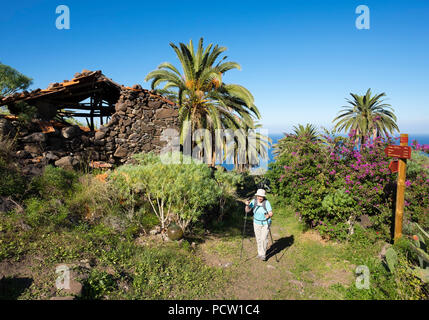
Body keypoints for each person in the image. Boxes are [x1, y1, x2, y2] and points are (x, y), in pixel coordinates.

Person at [245, 189, 273, 261]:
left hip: (265, 223)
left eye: (261, 196)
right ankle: (259, 253)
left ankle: (263, 254)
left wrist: (268, 216)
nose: (260, 198)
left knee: (264, 239)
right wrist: (247, 205)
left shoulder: (266, 203)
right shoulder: (254, 201)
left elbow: (271, 213)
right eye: (259, 196)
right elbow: (247, 210)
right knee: (258, 239)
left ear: (263, 197)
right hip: (256, 222)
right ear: (257, 196)